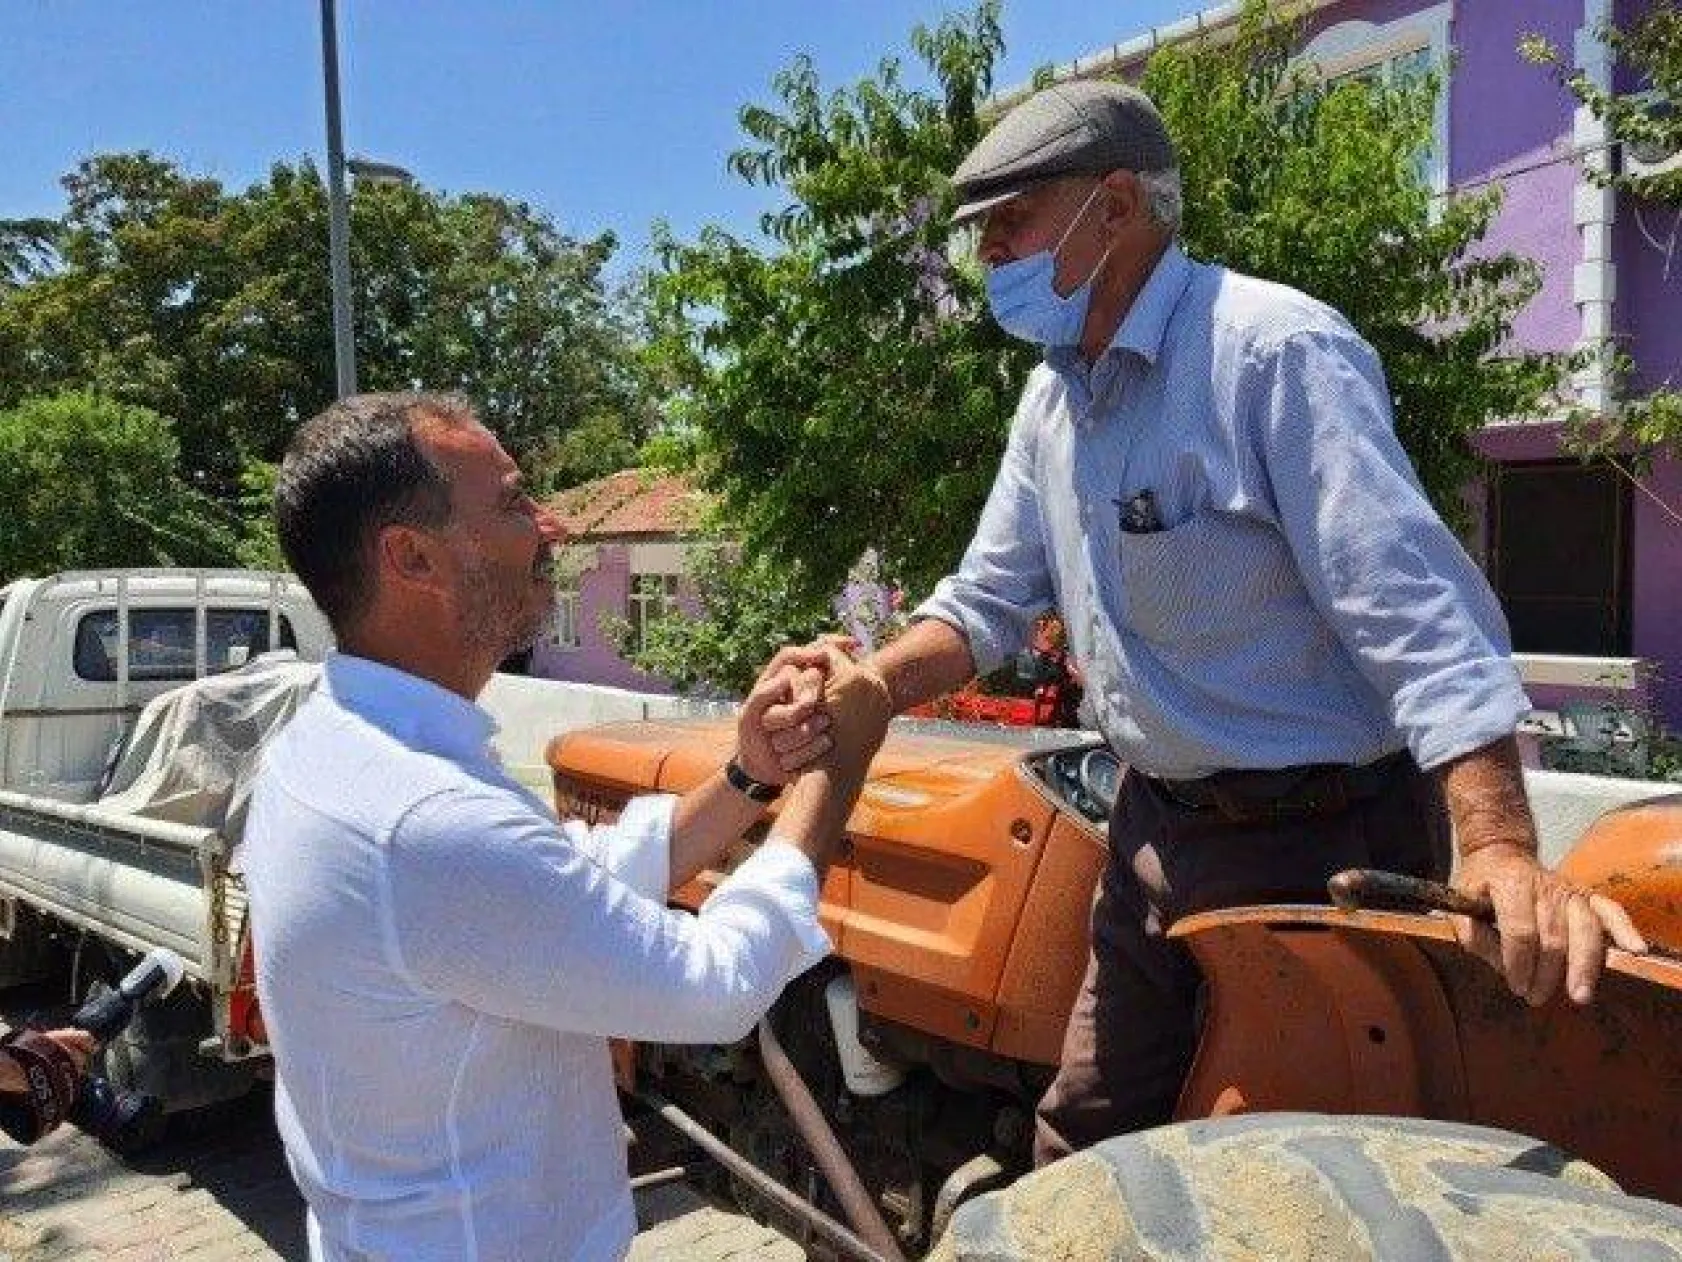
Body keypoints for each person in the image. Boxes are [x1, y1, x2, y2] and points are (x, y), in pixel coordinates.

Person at [832, 80, 1648, 1164]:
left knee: (1317, 1161)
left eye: (1009, 222)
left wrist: (1497, 846)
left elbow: (1415, 612)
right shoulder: (1053, 400)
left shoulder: (1269, 353)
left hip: (1325, 844)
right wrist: (873, 684)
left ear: (1114, 205)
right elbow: (986, 599)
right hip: (1154, 836)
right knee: (1081, 1140)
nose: (988, 257)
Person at [242, 391, 891, 1261]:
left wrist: (750, 775)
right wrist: (833, 768)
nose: (551, 524)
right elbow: (712, 985)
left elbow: (562, 885)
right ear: (413, 557)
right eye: (512, 503)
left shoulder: (339, 746)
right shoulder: (424, 822)